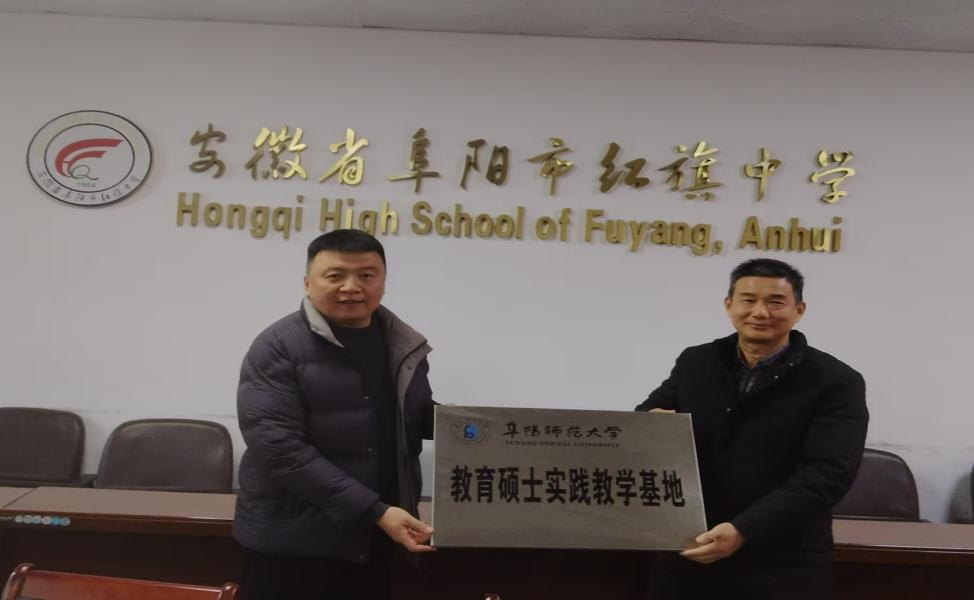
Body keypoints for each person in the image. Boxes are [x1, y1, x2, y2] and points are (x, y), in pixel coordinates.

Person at [636, 258, 868, 600]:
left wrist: (744, 529)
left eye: (775, 302)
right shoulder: (696, 362)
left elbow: (828, 474)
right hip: (692, 551)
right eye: (748, 300)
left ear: (799, 310)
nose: (760, 312)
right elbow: (648, 417)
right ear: (729, 305)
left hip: (783, 562)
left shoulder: (835, 381)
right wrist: (650, 424)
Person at [233, 229, 436, 600]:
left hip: (375, 536)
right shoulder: (277, 347)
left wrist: (488, 431)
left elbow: (416, 416)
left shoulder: (402, 343)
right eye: (335, 275)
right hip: (296, 543)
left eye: (366, 275)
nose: (352, 287)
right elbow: (280, 449)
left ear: (384, 282)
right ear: (307, 282)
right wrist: (374, 511)